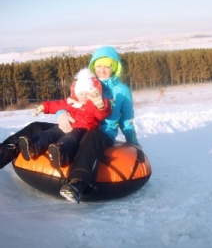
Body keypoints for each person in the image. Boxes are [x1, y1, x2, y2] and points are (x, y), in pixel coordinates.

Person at [0, 46, 139, 204]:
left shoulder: (122, 91)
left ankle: (76, 184)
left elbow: (127, 120)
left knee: (92, 136)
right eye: (99, 66)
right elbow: (68, 103)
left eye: (107, 66)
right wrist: (61, 115)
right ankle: (5, 151)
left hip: (101, 132)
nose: (102, 70)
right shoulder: (87, 82)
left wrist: (132, 142)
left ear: (115, 67)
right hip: (76, 126)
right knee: (36, 126)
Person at [18, 68, 111, 168]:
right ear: (76, 94)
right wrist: (44, 107)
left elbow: (101, 114)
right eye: (81, 94)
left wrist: (101, 106)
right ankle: (33, 147)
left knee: (70, 138)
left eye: (87, 93)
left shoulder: (93, 104)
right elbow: (57, 105)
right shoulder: (71, 102)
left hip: (83, 130)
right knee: (51, 132)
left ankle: (61, 154)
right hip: (67, 125)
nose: (84, 96)